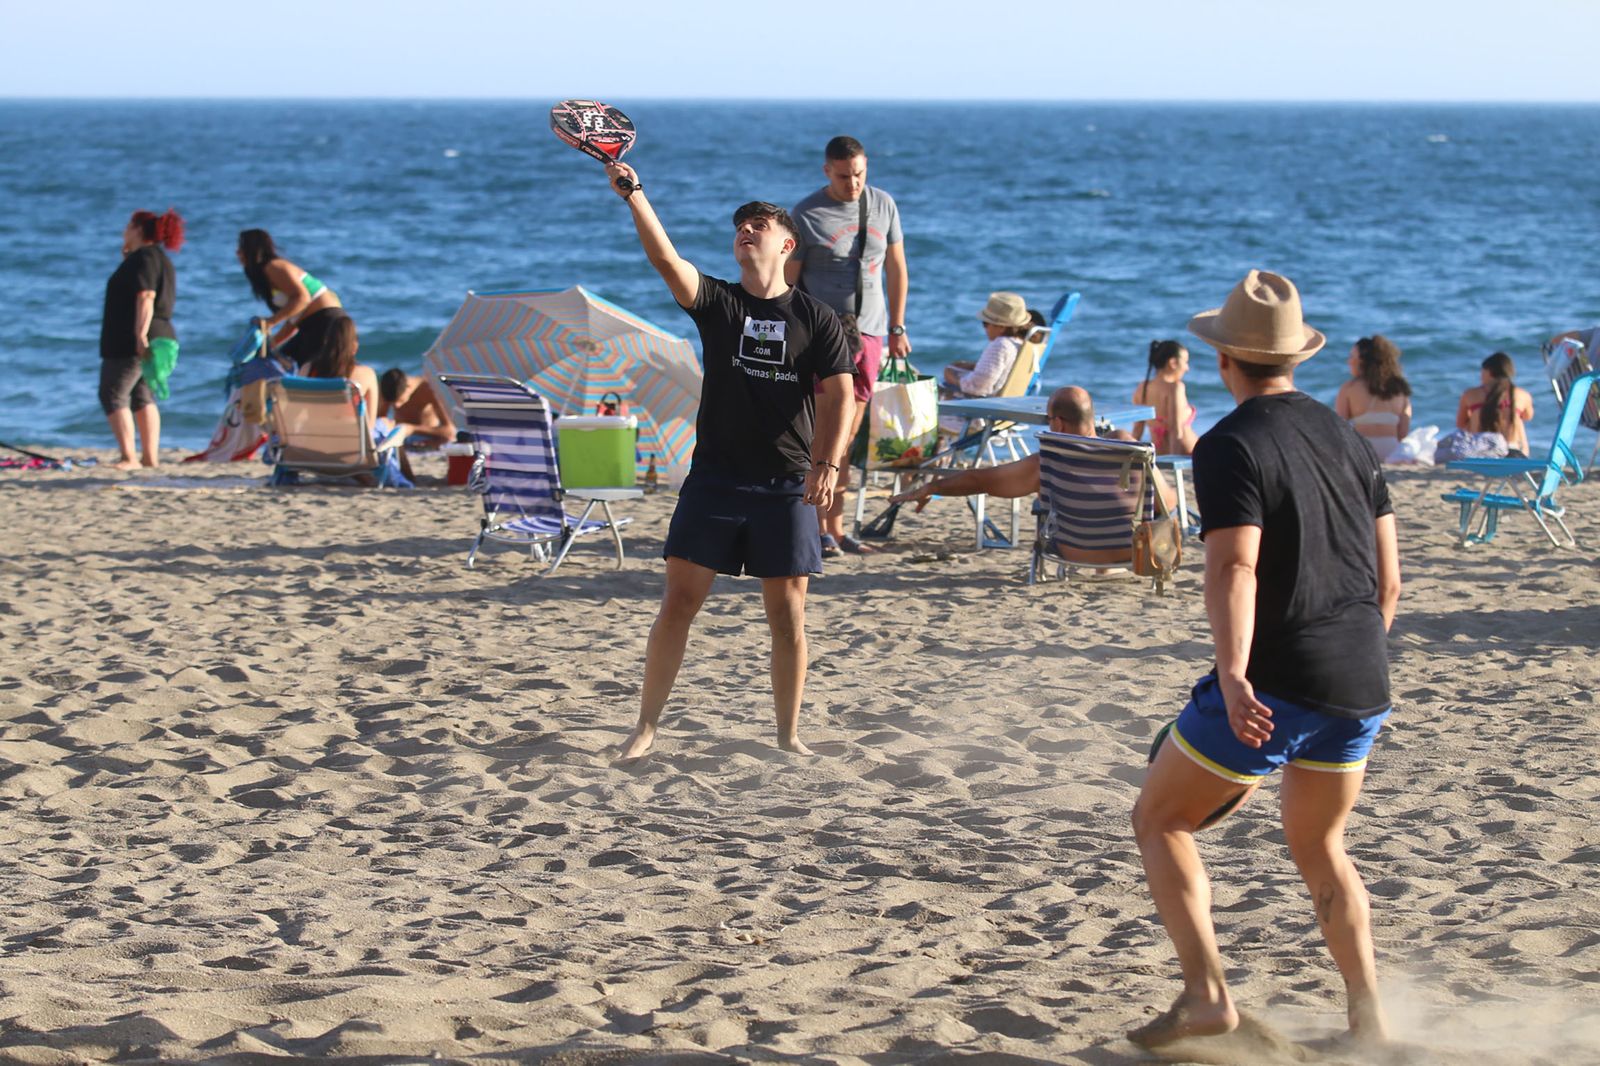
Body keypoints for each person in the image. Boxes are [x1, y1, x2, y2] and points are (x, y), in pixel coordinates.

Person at [1129, 271, 1401, 1053]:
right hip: (1361, 678)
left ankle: (1208, 996)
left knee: (1160, 817)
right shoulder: (1345, 434)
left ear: (1225, 361)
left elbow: (1234, 568)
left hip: (1278, 679)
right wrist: (1359, 652)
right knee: (1322, 847)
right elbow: (1389, 579)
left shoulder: (1230, 445)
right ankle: (1370, 1019)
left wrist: (1235, 672)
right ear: (1294, 359)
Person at [602, 158, 855, 760]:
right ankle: (645, 728)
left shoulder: (814, 317)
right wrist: (634, 193)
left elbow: (841, 393)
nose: (745, 232)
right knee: (679, 603)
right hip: (715, 479)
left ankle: (789, 737)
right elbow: (666, 260)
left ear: (786, 242)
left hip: (785, 484)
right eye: (739, 226)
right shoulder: (718, 302)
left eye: (758, 226)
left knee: (788, 615)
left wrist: (826, 466)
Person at [788, 135, 911, 556]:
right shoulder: (807, 214)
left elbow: (896, 267)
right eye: (843, 176)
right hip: (826, 333)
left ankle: (837, 529)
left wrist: (897, 326)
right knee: (825, 431)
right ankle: (816, 526)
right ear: (827, 171)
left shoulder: (883, 204)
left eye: (859, 174)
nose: (853, 184)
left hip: (873, 330)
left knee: (850, 432)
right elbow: (789, 281)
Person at [890, 386, 1175, 565]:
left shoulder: (1049, 461)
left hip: (1075, 553)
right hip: (1136, 553)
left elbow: (983, 480)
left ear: (1058, 422)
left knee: (1042, 505)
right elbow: (1168, 503)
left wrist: (932, 487)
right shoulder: (1131, 450)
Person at [100, 209, 183, 470]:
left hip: (135, 338)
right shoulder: (157, 258)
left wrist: (140, 335)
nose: (124, 231)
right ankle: (149, 458)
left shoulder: (144, 258)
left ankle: (130, 457)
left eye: (128, 226)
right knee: (141, 395)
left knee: (113, 393)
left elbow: (146, 296)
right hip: (159, 334)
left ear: (138, 229)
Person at [236, 229, 344, 368]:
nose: (237, 253)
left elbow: (302, 298)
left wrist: (270, 322)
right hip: (312, 325)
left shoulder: (274, 267)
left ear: (251, 249)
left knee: (288, 368)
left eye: (241, 247)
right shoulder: (268, 273)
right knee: (273, 362)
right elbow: (293, 321)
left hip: (328, 323)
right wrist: (269, 345)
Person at [1335, 335, 1413, 462]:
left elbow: (1341, 429)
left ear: (1363, 362)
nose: (1349, 361)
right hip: (1392, 452)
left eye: (1352, 357)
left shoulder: (1349, 388)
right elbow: (1403, 434)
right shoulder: (1401, 391)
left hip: (1363, 453)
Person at [941, 293, 1032, 398]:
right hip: (1008, 402)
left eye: (986, 323)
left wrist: (950, 376)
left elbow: (978, 388)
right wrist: (974, 366)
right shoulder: (1021, 344)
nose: (985, 328)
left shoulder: (1001, 346)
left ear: (1002, 327)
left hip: (985, 406)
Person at [1455, 352, 1533, 456]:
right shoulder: (1522, 395)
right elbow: (1528, 416)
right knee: (1517, 417)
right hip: (1513, 452)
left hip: (1479, 452)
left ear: (1489, 372)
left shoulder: (1470, 394)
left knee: (1474, 416)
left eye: (1482, 371)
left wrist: (1478, 415)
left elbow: (1460, 424)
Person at [1131, 340, 1199, 456]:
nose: (1187, 368)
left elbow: (1137, 431)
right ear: (1173, 363)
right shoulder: (1176, 387)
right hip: (1186, 453)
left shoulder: (1143, 387)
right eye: (1185, 362)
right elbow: (1175, 429)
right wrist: (1174, 462)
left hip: (1159, 454)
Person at [379, 369, 458, 447]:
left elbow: (450, 432)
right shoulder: (389, 390)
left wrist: (412, 429)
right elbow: (381, 420)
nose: (396, 406)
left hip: (427, 439)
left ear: (408, 388)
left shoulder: (428, 389)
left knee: (450, 439)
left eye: (400, 401)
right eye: (392, 403)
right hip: (402, 441)